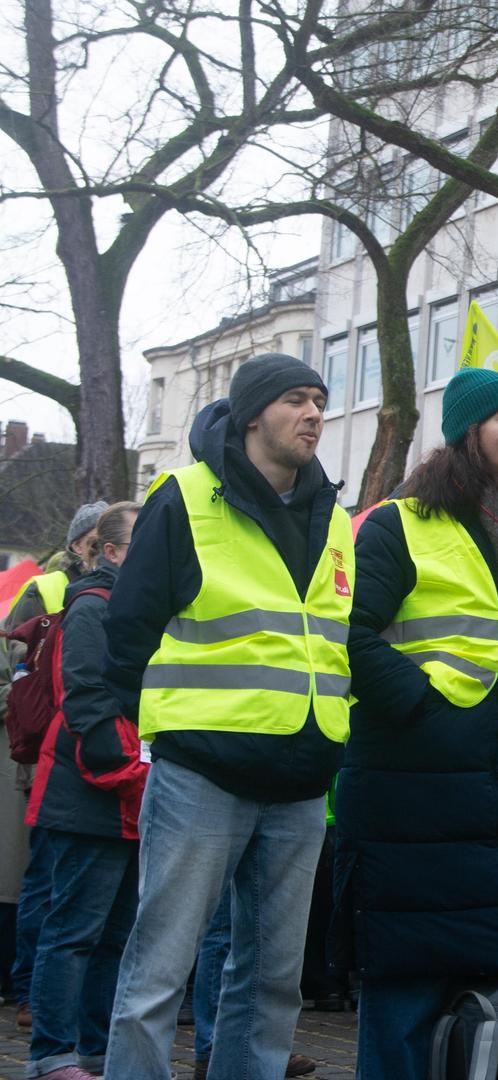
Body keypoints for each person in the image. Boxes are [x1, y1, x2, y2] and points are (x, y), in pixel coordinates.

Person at [334, 367, 498, 1076]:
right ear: (467, 432)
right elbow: (349, 637)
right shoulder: (399, 524)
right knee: (410, 985)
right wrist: (425, 710)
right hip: (413, 794)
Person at [102, 354, 351, 1077]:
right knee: (158, 973)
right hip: (201, 774)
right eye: (296, 400)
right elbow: (128, 633)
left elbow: (333, 645)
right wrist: (153, 733)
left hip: (302, 782)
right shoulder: (184, 497)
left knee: (274, 982)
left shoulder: (332, 515)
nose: (313, 414)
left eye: (319, 401)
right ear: (251, 415)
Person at [23, 503, 143, 1080]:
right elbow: (88, 700)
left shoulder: (135, 606)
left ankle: (94, 1049)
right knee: (73, 931)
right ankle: (51, 1054)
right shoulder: (93, 609)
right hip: (94, 790)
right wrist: (131, 767)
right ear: (112, 552)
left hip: (125, 795)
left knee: (114, 934)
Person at [6, 501, 109, 1032]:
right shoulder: (43, 589)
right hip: (48, 750)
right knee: (47, 877)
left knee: (80, 888)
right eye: (95, 539)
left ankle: (76, 1009)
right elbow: (10, 673)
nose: (102, 549)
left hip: (95, 751)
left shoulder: (127, 593)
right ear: (78, 545)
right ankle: (30, 992)